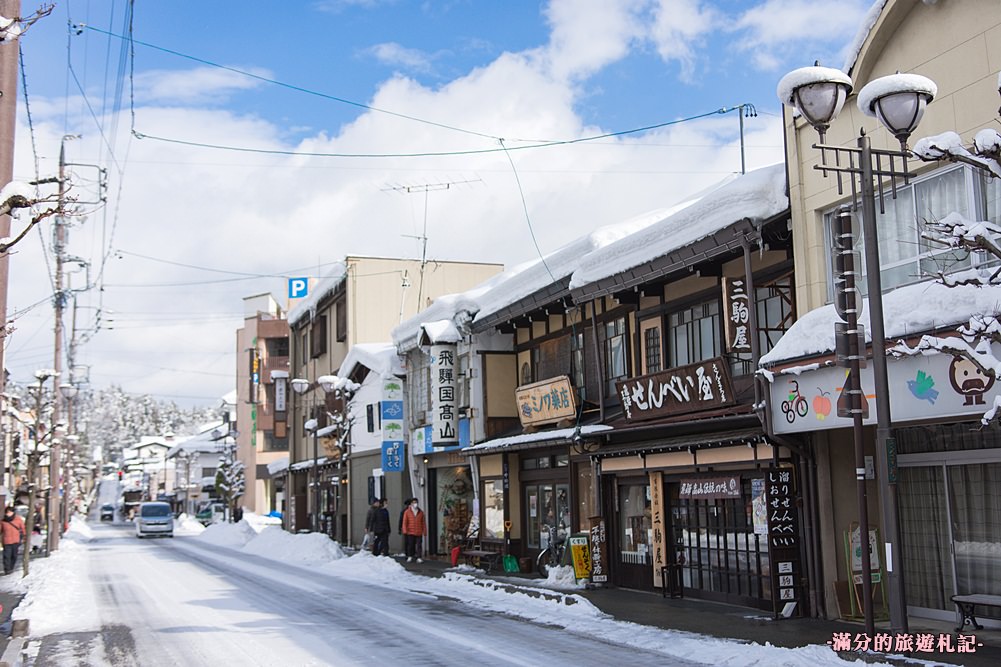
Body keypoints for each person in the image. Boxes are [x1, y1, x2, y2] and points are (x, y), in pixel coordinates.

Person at [2, 506, 26, 575]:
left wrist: (25, 536)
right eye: (7, 512)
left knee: (14, 555)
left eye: (10, 512)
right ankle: (7, 569)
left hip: (15, 540)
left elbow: (23, 528)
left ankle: (11, 567)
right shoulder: (3, 521)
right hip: (7, 541)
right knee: (7, 556)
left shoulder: (18, 519)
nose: (8, 513)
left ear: (13, 512)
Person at [401, 498, 426, 563]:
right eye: (414, 503)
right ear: (411, 504)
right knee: (410, 545)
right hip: (410, 531)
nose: (415, 504)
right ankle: (410, 556)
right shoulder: (407, 512)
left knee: (419, 545)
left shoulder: (421, 512)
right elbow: (405, 522)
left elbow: (423, 522)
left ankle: (419, 557)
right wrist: (405, 530)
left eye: (416, 502)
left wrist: (424, 531)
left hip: (419, 531)